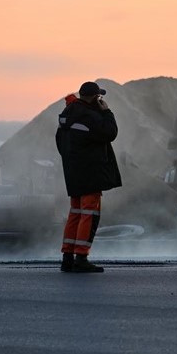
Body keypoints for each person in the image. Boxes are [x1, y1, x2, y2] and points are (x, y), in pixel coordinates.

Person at [55, 81, 122, 273]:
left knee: (75, 213)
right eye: (99, 97)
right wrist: (107, 112)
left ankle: (67, 257)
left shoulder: (67, 114)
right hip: (91, 172)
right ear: (94, 98)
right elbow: (110, 133)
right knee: (89, 214)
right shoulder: (90, 116)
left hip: (74, 172)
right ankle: (81, 257)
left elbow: (60, 143)